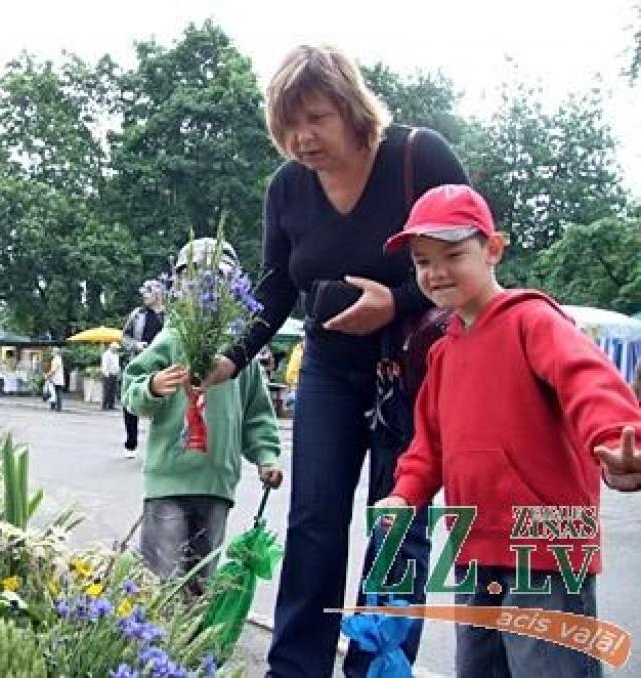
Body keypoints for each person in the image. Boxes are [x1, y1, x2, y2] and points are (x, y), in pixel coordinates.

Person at [203, 44, 469, 677]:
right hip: (328, 367)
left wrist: (396, 300)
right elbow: (273, 286)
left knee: (398, 524)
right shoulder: (287, 187)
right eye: (287, 124)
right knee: (315, 518)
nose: (301, 138)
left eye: (316, 118)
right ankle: (295, 666)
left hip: (413, 372)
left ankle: (379, 665)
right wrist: (227, 355)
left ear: (351, 108)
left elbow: (472, 254)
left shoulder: (417, 155)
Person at [375, 184, 641, 677]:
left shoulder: (533, 320)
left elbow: (588, 380)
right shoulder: (442, 352)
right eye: (422, 260)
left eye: (453, 254)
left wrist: (620, 439)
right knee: (479, 668)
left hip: (549, 538)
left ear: (493, 249)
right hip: (474, 540)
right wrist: (405, 492)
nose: (435, 272)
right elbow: (428, 444)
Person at [122, 238, 283, 594]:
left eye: (217, 281)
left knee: (199, 583)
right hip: (168, 480)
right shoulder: (168, 340)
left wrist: (266, 457)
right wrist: (152, 386)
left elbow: (257, 413)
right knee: (159, 582)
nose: (204, 290)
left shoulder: (242, 353)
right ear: (179, 286)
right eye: (193, 280)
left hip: (216, 483)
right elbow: (131, 392)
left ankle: (191, 648)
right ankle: (151, 644)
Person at [122, 279, 166, 458]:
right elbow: (124, 337)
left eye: (148, 292)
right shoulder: (137, 314)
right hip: (139, 362)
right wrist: (135, 345)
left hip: (161, 364)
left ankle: (160, 446)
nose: (144, 296)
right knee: (130, 402)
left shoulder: (169, 315)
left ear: (158, 294)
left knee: (162, 404)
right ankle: (131, 442)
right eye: (143, 292)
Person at [100, 341, 121, 411]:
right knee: (107, 391)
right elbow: (105, 365)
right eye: (115, 348)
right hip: (108, 375)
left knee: (113, 391)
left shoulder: (116, 355)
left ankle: (111, 405)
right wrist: (106, 374)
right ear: (112, 347)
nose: (116, 349)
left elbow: (116, 365)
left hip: (114, 374)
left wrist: (118, 372)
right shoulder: (106, 354)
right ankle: (104, 405)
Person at [45, 347, 65, 412]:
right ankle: (54, 406)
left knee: (56, 393)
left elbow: (53, 370)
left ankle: (58, 407)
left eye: (52, 352)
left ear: (55, 352)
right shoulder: (57, 359)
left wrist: (48, 375)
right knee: (54, 392)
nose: (51, 353)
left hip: (56, 379)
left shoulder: (56, 359)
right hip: (56, 378)